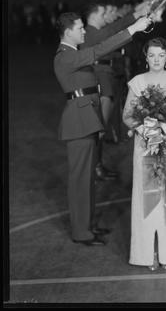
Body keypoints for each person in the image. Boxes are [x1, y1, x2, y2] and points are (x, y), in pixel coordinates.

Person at [53, 12, 151, 246]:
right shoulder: (64, 57)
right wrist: (133, 29)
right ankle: (81, 232)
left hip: (86, 119)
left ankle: (87, 226)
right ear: (68, 32)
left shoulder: (72, 54)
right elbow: (98, 50)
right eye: (79, 28)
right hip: (79, 123)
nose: (84, 31)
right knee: (80, 181)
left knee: (87, 180)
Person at [122, 38, 166, 270]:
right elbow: (128, 115)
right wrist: (146, 130)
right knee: (147, 199)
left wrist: (165, 129)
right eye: (152, 55)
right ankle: (147, 253)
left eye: (161, 55)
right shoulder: (137, 82)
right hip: (145, 146)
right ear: (146, 57)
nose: (156, 59)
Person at [81, 0, 148, 181]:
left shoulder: (94, 33)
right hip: (100, 79)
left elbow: (114, 35)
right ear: (93, 16)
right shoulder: (89, 33)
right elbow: (112, 32)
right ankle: (94, 167)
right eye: (102, 15)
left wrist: (137, 13)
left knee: (100, 127)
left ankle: (96, 166)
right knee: (98, 128)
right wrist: (134, 17)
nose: (105, 18)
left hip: (106, 76)